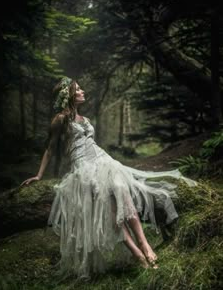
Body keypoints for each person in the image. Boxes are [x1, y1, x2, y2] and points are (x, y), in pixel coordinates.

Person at [21, 76, 197, 279]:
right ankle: (138, 255)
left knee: (122, 190)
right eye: (78, 89)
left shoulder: (84, 119)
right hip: (83, 166)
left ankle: (145, 245)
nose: (82, 91)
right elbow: (50, 148)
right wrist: (38, 175)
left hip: (102, 159)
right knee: (109, 208)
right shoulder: (60, 119)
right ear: (68, 95)